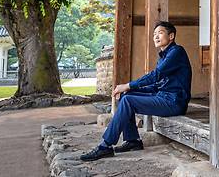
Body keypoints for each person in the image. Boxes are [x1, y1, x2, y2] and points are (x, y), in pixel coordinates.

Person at [80, 21, 192, 161]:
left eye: (160, 33)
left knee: (128, 98)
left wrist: (128, 85)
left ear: (171, 36)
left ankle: (105, 146)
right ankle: (133, 141)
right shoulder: (163, 56)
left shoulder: (177, 52)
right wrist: (132, 89)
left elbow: (155, 75)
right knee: (127, 96)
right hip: (162, 96)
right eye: (154, 34)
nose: (156, 37)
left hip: (174, 102)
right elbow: (157, 85)